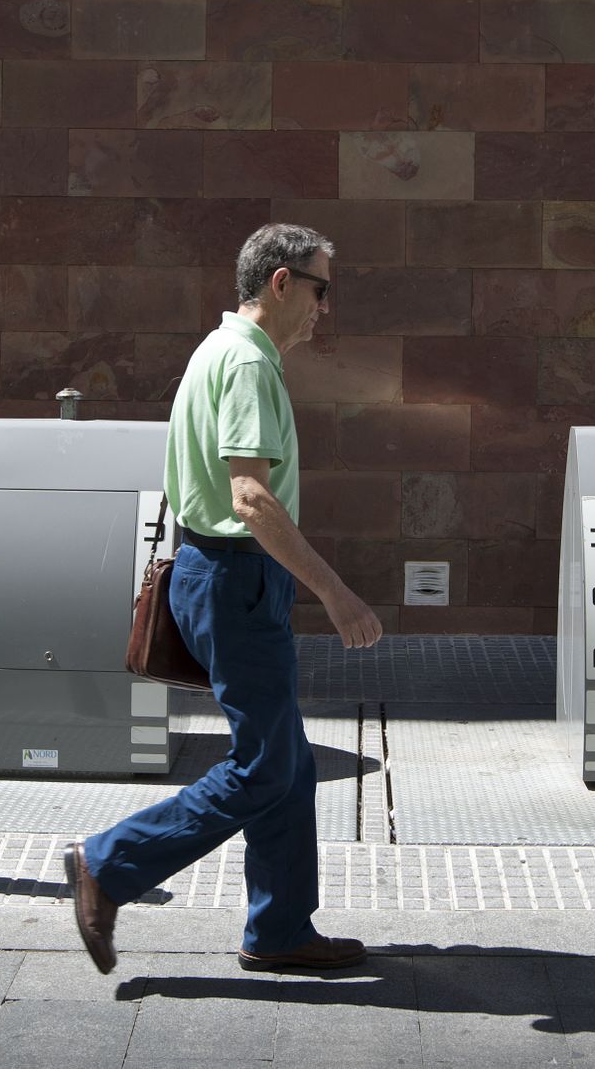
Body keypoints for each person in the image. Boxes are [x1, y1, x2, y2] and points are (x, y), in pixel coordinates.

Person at [65, 223, 384, 975]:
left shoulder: (221, 351)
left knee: (288, 761)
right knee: (265, 766)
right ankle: (108, 864)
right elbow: (249, 496)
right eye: (320, 288)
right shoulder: (246, 363)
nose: (324, 308)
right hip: (236, 577)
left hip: (229, 577)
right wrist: (335, 593)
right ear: (281, 283)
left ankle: (278, 928)